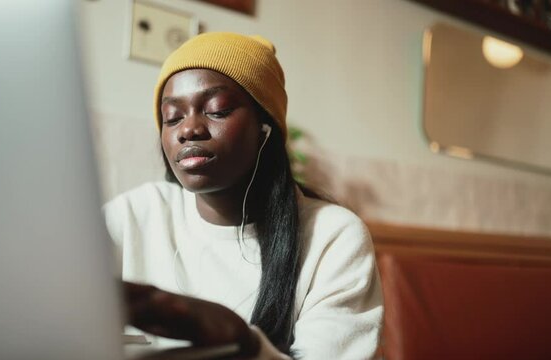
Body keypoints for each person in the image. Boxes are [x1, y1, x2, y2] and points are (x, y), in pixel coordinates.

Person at [104, 32, 384, 359]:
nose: (188, 129)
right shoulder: (134, 214)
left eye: (216, 110)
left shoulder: (333, 237)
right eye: (172, 117)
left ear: (264, 129)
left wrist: (244, 343)